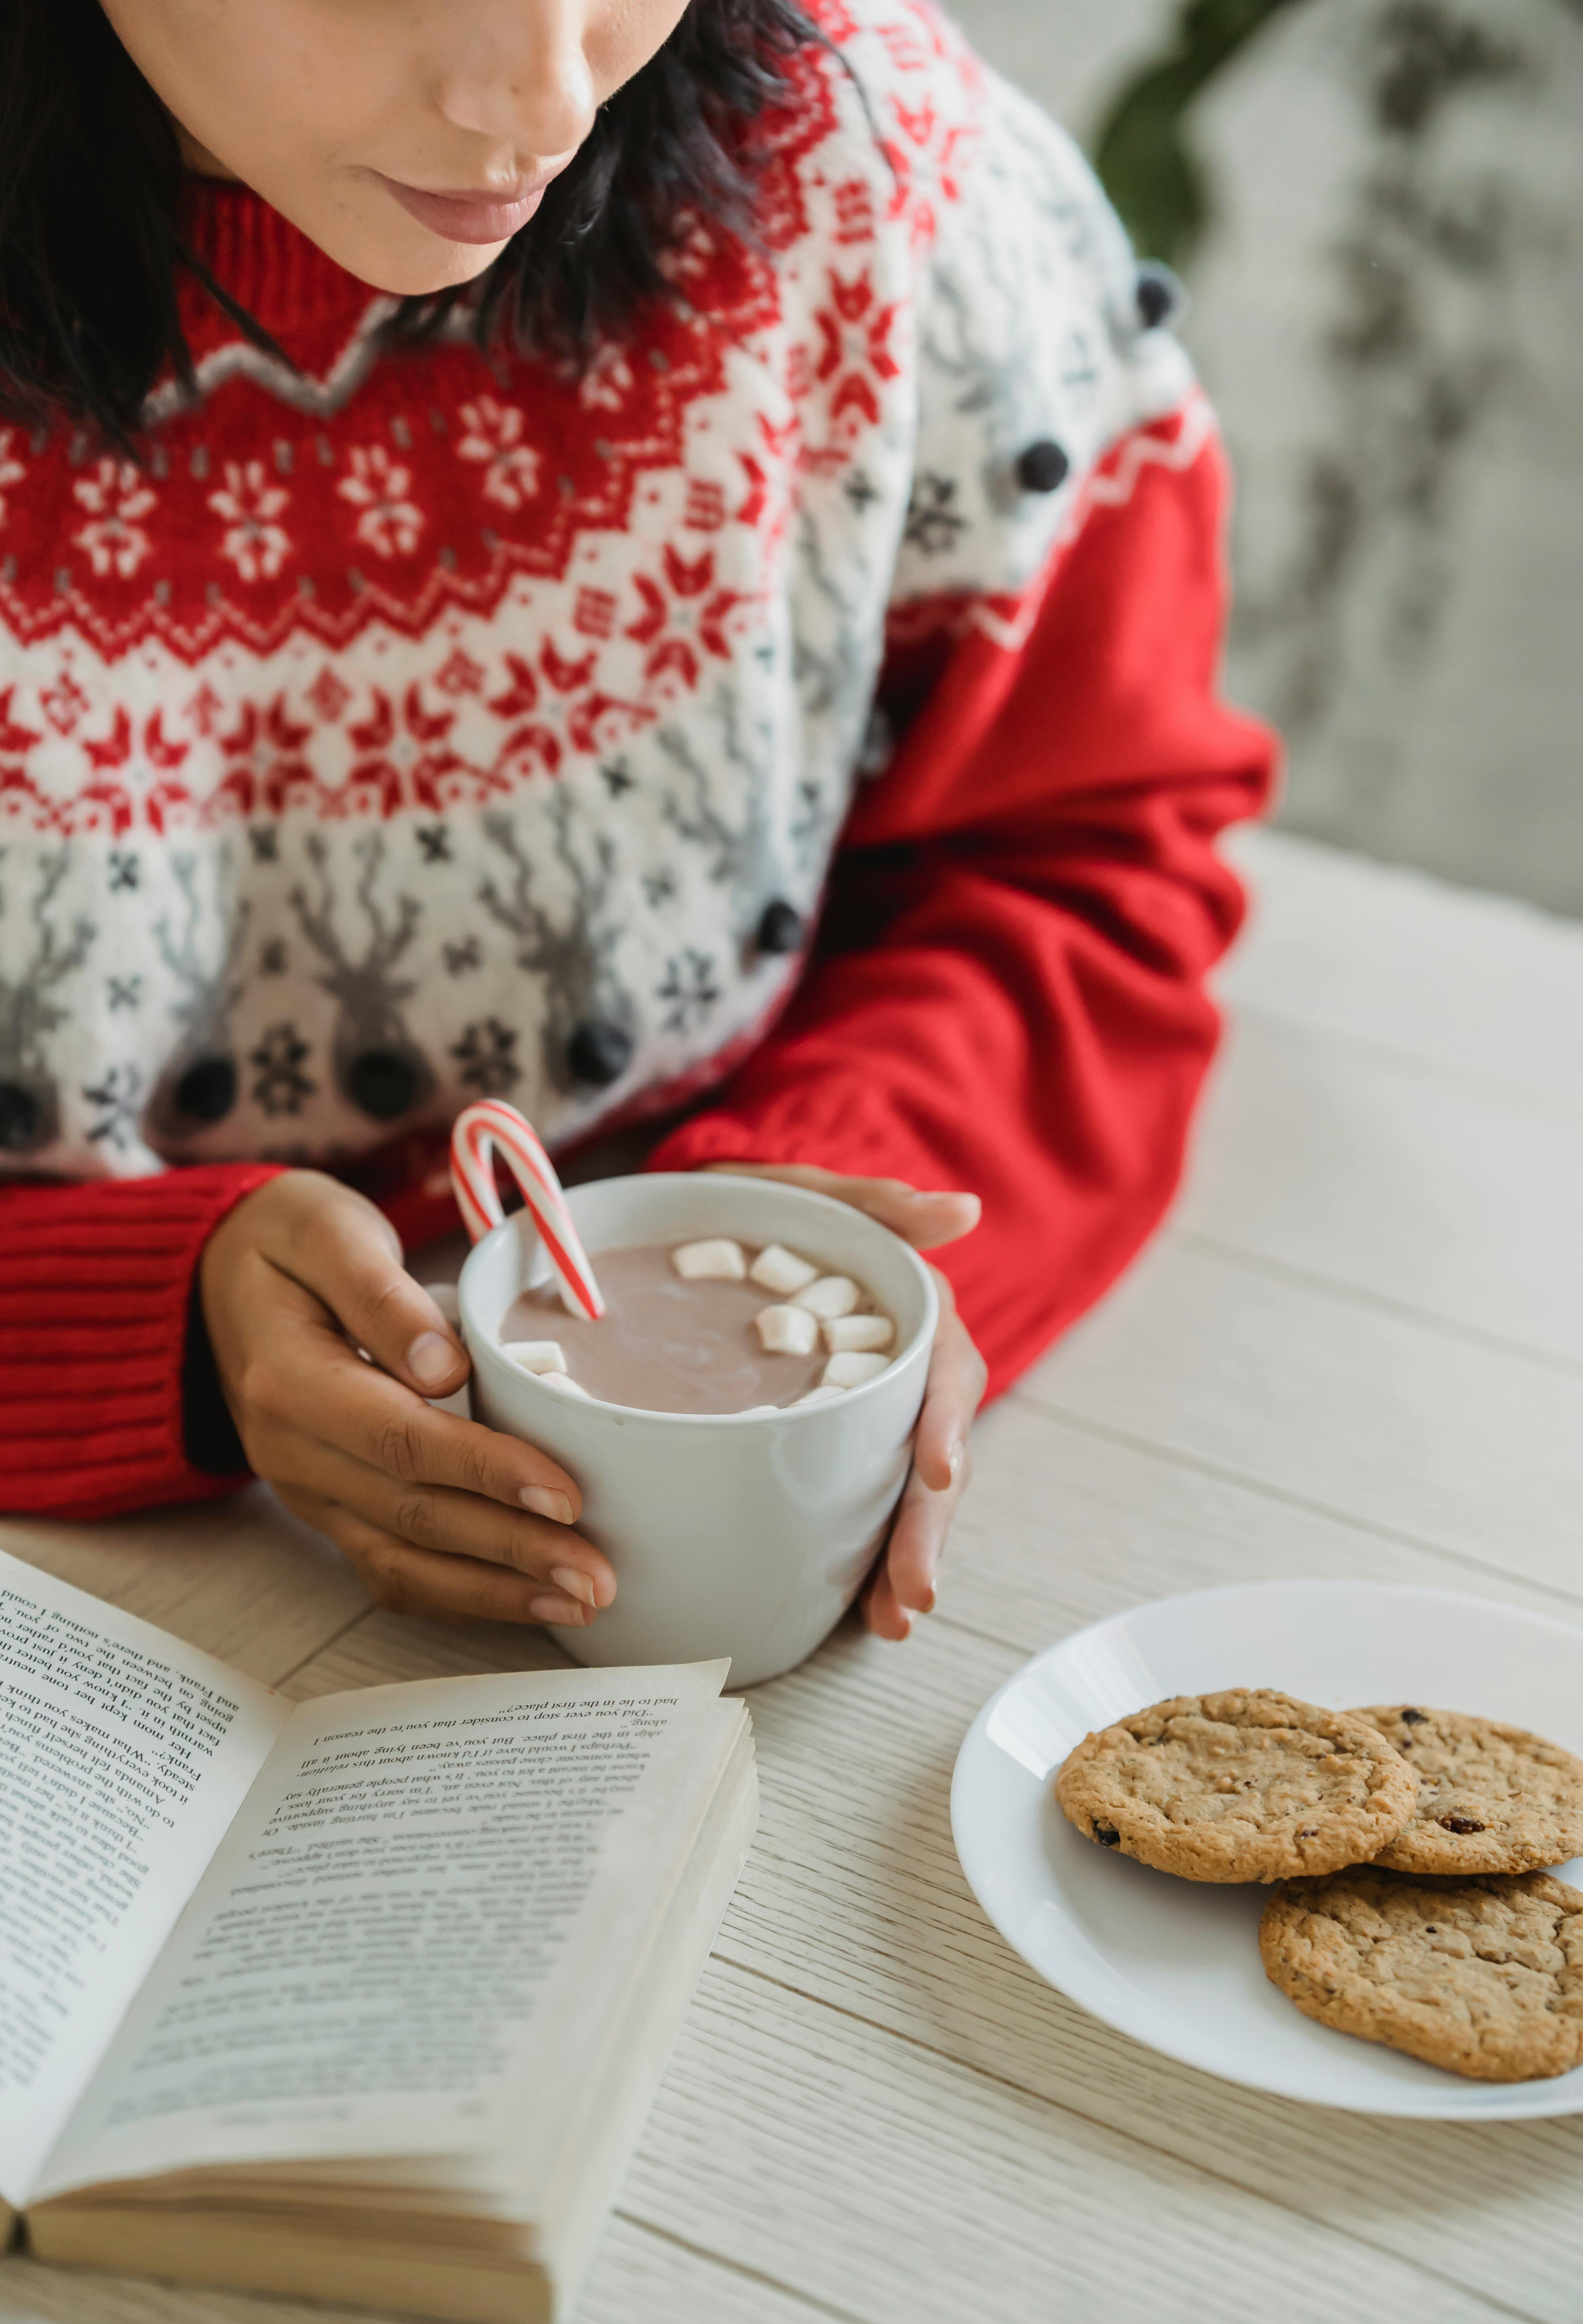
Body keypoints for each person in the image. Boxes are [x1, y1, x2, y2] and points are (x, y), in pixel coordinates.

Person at [0, 0, 1274, 1642]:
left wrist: (817, 1224)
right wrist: (142, 1327)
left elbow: (1081, 852)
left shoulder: (864, 169)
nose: (538, 101)